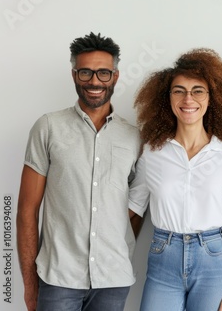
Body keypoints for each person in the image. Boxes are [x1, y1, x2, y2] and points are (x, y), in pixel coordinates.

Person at [16, 32, 141, 311]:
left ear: (116, 77)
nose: (94, 81)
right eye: (85, 72)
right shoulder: (48, 128)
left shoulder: (133, 137)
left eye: (103, 73)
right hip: (58, 278)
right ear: (74, 75)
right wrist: (29, 283)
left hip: (113, 279)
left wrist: (120, 250)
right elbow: (26, 210)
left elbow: (135, 208)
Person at [129, 48, 222, 311]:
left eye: (197, 90)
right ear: (167, 98)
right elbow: (134, 209)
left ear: (211, 98)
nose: (188, 98)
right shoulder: (152, 152)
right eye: (179, 90)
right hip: (163, 257)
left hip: (213, 259)